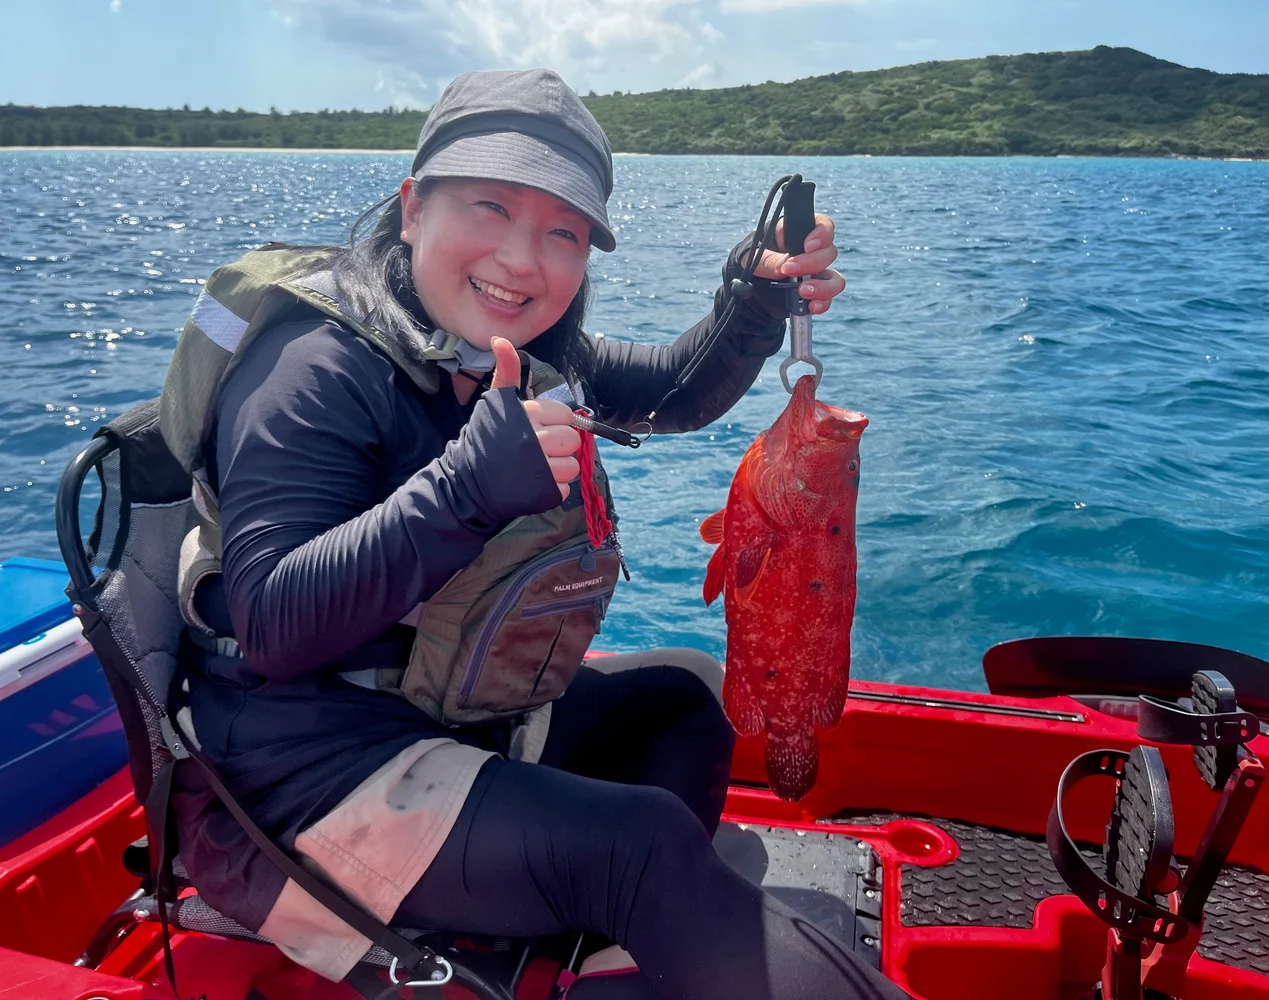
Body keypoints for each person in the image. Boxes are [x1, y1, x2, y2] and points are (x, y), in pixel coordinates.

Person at [166, 68, 905, 1000]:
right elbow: (272, 624)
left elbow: (675, 391)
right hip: (299, 780)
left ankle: (607, 955)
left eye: (563, 232)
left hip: (443, 717)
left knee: (683, 700)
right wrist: (463, 492)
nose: (523, 259)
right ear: (410, 209)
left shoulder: (521, 355)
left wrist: (752, 300)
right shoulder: (313, 368)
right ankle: (635, 906)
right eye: (489, 207)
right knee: (644, 845)